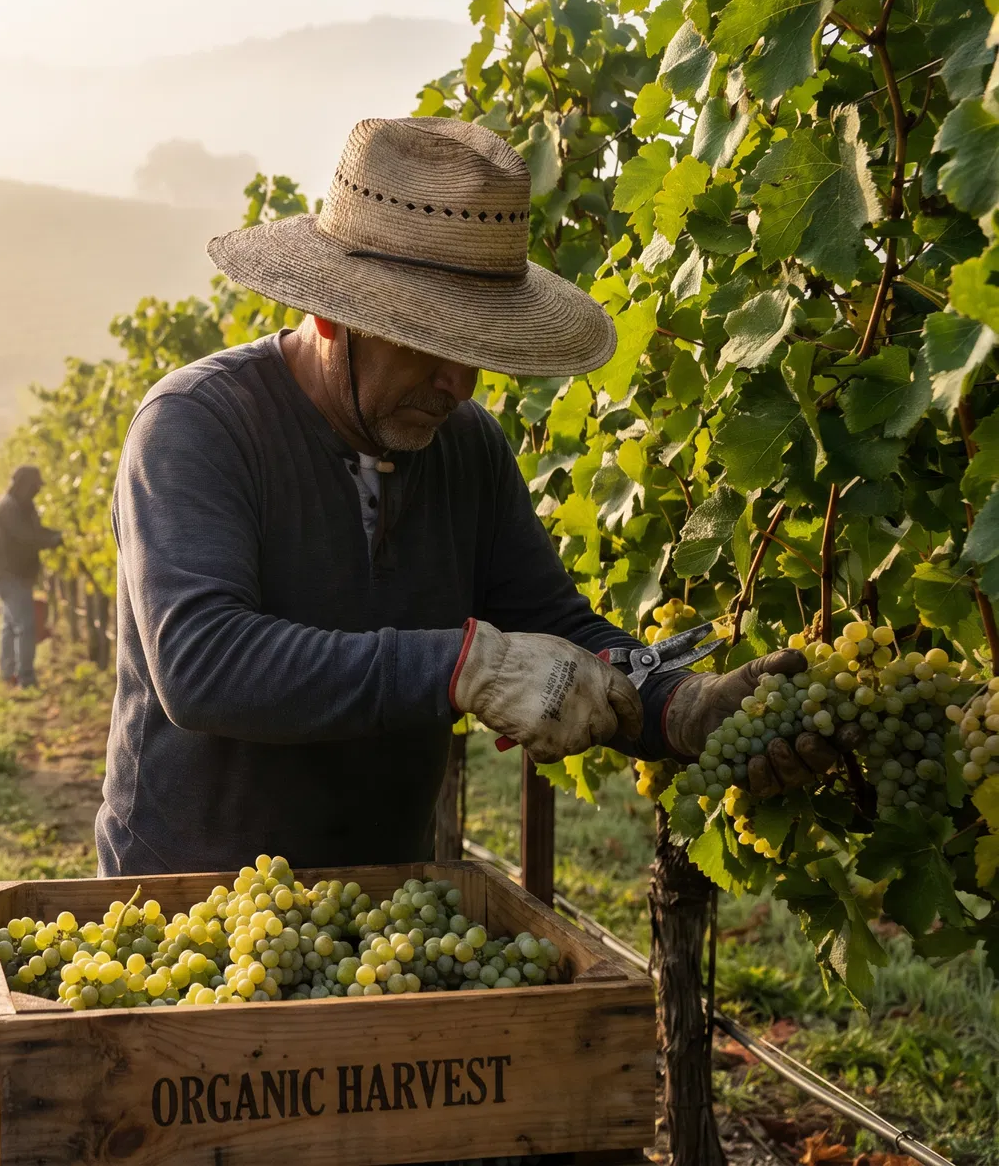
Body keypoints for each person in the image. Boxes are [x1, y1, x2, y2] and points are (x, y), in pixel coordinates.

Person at [96, 117, 824, 878]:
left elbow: (547, 620)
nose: (459, 384)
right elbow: (203, 663)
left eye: (474, 351)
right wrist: (464, 667)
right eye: (426, 343)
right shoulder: (197, 428)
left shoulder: (465, 445)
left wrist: (678, 708)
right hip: (191, 898)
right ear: (330, 315)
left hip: (387, 894)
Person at [0, 467, 61, 688]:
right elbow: (26, 536)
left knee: (11, 625)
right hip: (11, 576)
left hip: (16, 575)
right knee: (25, 626)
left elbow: (35, 530)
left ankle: (7, 673)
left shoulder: (22, 505)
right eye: (34, 487)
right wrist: (53, 540)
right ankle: (26, 678)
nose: (36, 492)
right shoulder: (8, 507)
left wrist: (53, 535)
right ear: (22, 484)